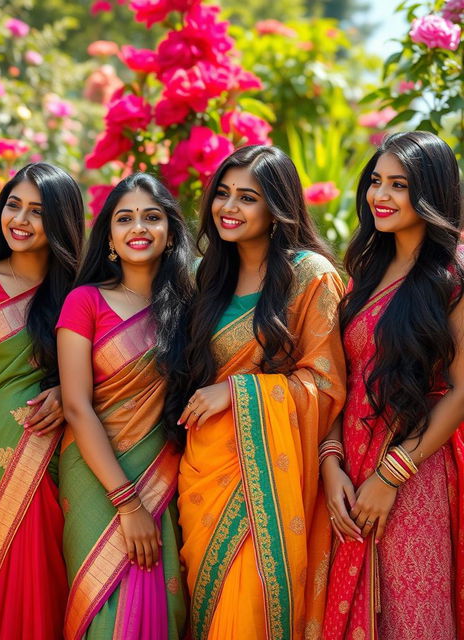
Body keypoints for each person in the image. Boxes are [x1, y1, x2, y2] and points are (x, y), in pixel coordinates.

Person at [177, 145, 346, 639]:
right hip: (202, 470)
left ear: (276, 208)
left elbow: (327, 382)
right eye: (223, 194)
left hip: (268, 476)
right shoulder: (204, 278)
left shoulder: (309, 276)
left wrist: (238, 391)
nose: (229, 207)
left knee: (248, 606)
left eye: (247, 197)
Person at [322, 131, 464, 639]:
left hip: (414, 469)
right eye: (375, 182)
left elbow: (461, 391)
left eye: (398, 185)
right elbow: (345, 374)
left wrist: (391, 475)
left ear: (430, 192)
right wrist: (330, 462)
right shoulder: (366, 270)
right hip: (348, 477)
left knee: (410, 612)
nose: (379, 196)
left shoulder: (452, 276)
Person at [56, 173, 193, 640]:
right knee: (105, 612)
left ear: (171, 232)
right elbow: (76, 404)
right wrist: (126, 501)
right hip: (97, 473)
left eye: (152, 217)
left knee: (161, 597)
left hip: (165, 472)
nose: (139, 227)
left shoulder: (190, 307)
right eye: (125, 218)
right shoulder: (85, 301)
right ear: (110, 236)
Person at [0, 163, 84, 639]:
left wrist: (67, 388)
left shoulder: (79, 292)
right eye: (14, 205)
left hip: (51, 452)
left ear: (60, 221)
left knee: (42, 569)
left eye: (37, 211)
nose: (21, 219)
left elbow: (107, 371)